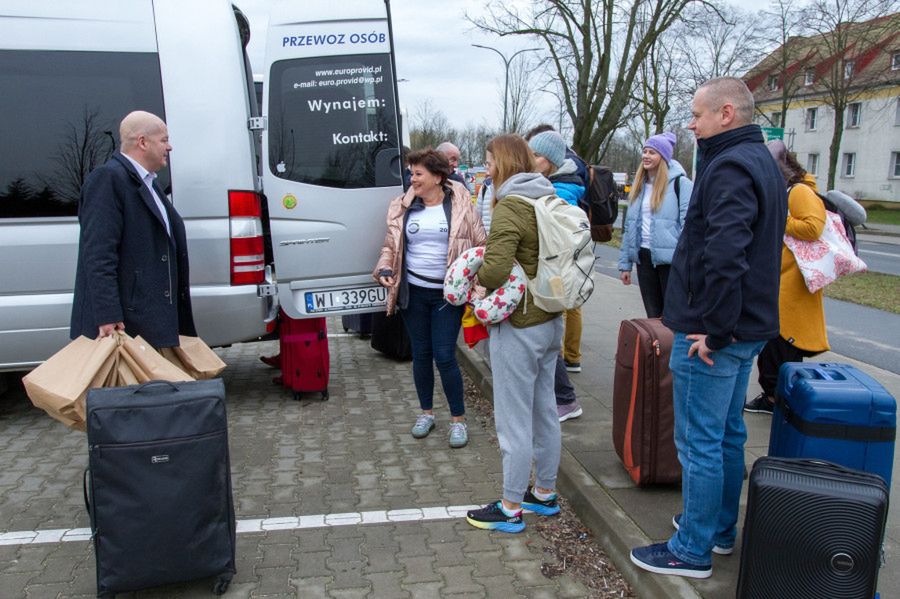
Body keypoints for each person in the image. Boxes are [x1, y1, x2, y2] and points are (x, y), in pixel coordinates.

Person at [630, 77, 787, 578]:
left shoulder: (730, 166)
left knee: (699, 441)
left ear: (726, 113)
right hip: (746, 328)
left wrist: (715, 331)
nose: (690, 124)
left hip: (716, 335)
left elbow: (725, 255)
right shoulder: (761, 159)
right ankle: (717, 529)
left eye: (696, 115)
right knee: (725, 435)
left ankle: (691, 548)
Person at [466, 134, 564, 533]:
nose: (486, 170)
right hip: (551, 317)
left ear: (503, 163)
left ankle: (509, 507)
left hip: (519, 323)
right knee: (544, 410)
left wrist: (475, 278)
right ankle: (544, 494)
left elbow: (493, 269)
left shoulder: (511, 206)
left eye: (489, 162)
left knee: (513, 419)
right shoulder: (548, 197)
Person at [373, 148, 486, 448]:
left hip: (447, 296)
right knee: (421, 355)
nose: (412, 179)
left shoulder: (462, 206)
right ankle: (426, 414)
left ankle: (458, 420)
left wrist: (478, 289)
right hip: (413, 293)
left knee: (445, 355)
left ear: (438, 177)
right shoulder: (403, 206)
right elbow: (390, 245)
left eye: (418, 173)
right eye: (411, 173)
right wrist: (385, 266)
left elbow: (481, 246)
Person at [70, 110, 196, 349]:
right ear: (142, 142)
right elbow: (98, 255)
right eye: (164, 140)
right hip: (125, 325)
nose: (169, 147)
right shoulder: (108, 180)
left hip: (150, 321)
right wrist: (107, 315)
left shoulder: (149, 183)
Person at [744, 140, 829, 414]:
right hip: (780, 281)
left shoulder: (800, 191)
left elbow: (814, 227)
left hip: (792, 285)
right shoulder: (786, 191)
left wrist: (777, 216)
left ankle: (776, 399)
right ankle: (775, 397)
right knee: (774, 347)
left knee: (781, 347)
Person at [527, 130, 585, 421]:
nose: (531, 159)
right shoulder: (549, 184)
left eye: (536, 155)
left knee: (550, 341)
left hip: (554, 271)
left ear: (549, 161)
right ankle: (560, 396)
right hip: (549, 269)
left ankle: (566, 399)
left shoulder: (560, 190)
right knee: (548, 340)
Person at [617, 132, 692, 318]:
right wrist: (625, 264)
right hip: (644, 258)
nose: (646, 156)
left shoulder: (680, 184)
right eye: (645, 151)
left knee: (672, 316)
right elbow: (629, 227)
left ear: (663, 157)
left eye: (652, 152)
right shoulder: (639, 186)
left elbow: (688, 225)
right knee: (653, 315)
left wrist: (685, 261)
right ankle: (656, 348)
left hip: (670, 260)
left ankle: (671, 348)